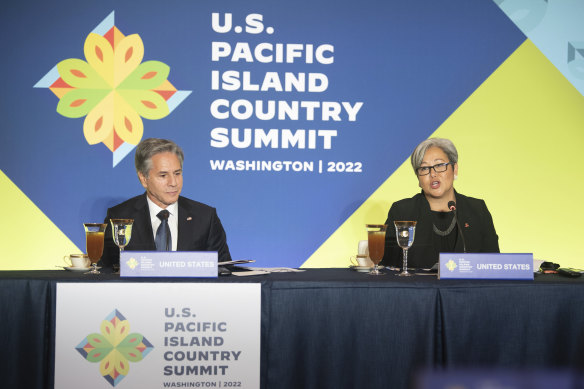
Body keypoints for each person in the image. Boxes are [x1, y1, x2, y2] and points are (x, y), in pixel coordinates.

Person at [101, 138, 231, 268]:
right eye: (163, 175)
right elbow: (105, 274)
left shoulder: (205, 217)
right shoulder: (119, 217)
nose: (173, 182)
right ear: (144, 179)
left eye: (177, 173)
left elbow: (224, 271)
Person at [381, 138, 499, 269]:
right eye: (424, 168)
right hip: (418, 288)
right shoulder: (402, 211)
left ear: (455, 169)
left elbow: (494, 265)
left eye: (439, 165)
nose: (433, 174)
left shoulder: (477, 210)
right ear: (418, 179)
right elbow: (386, 265)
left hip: (468, 289)